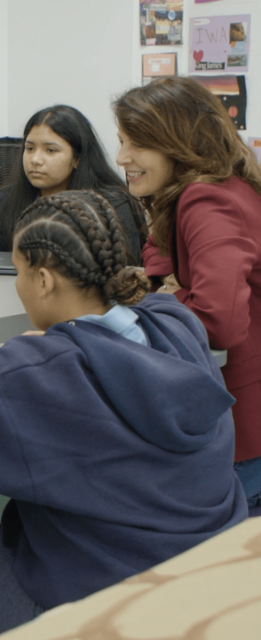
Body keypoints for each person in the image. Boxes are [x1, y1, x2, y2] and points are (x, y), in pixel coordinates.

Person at [0, 190, 248, 639]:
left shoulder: (41, 374)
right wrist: (49, 347)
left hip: (115, 614)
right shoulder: (177, 325)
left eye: (18, 272)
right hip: (207, 582)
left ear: (44, 280)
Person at [114, 76, 261, 511]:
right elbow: (159, 253)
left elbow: (218, 321)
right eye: (121, 142)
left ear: (176, 143)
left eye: (136, 143)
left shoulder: (206, 199)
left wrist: (152, 299)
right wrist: (173, 285)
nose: (122, 158)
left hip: (244, 417)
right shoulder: (206, 188)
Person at [0, 105, 146, 263]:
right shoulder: (5, 201)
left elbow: (126, 274)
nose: (35, 160)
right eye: (30, 148)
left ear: (77, 158)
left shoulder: (113, 204)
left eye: (50, 150)